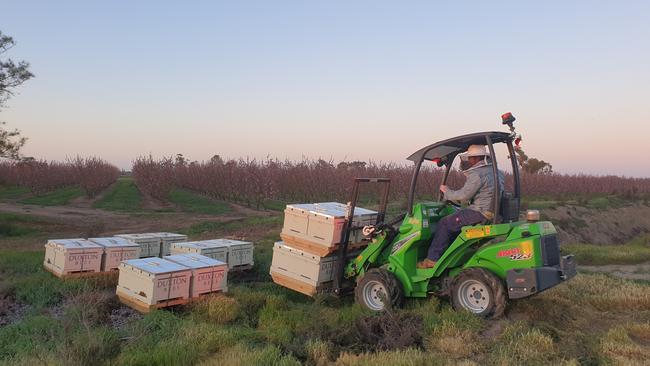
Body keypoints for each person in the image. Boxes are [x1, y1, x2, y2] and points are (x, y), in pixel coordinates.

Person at [417, 145, 505, 269]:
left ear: (476, 158)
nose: (469, 161)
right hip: (492, 212)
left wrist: (447, 192)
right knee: (455, 220)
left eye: (470, 158)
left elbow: (464, 196)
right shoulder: (497, 172)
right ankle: (449, 255)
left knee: (445, 223)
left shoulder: (477, 174)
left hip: (480, 212)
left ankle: (432, 260)